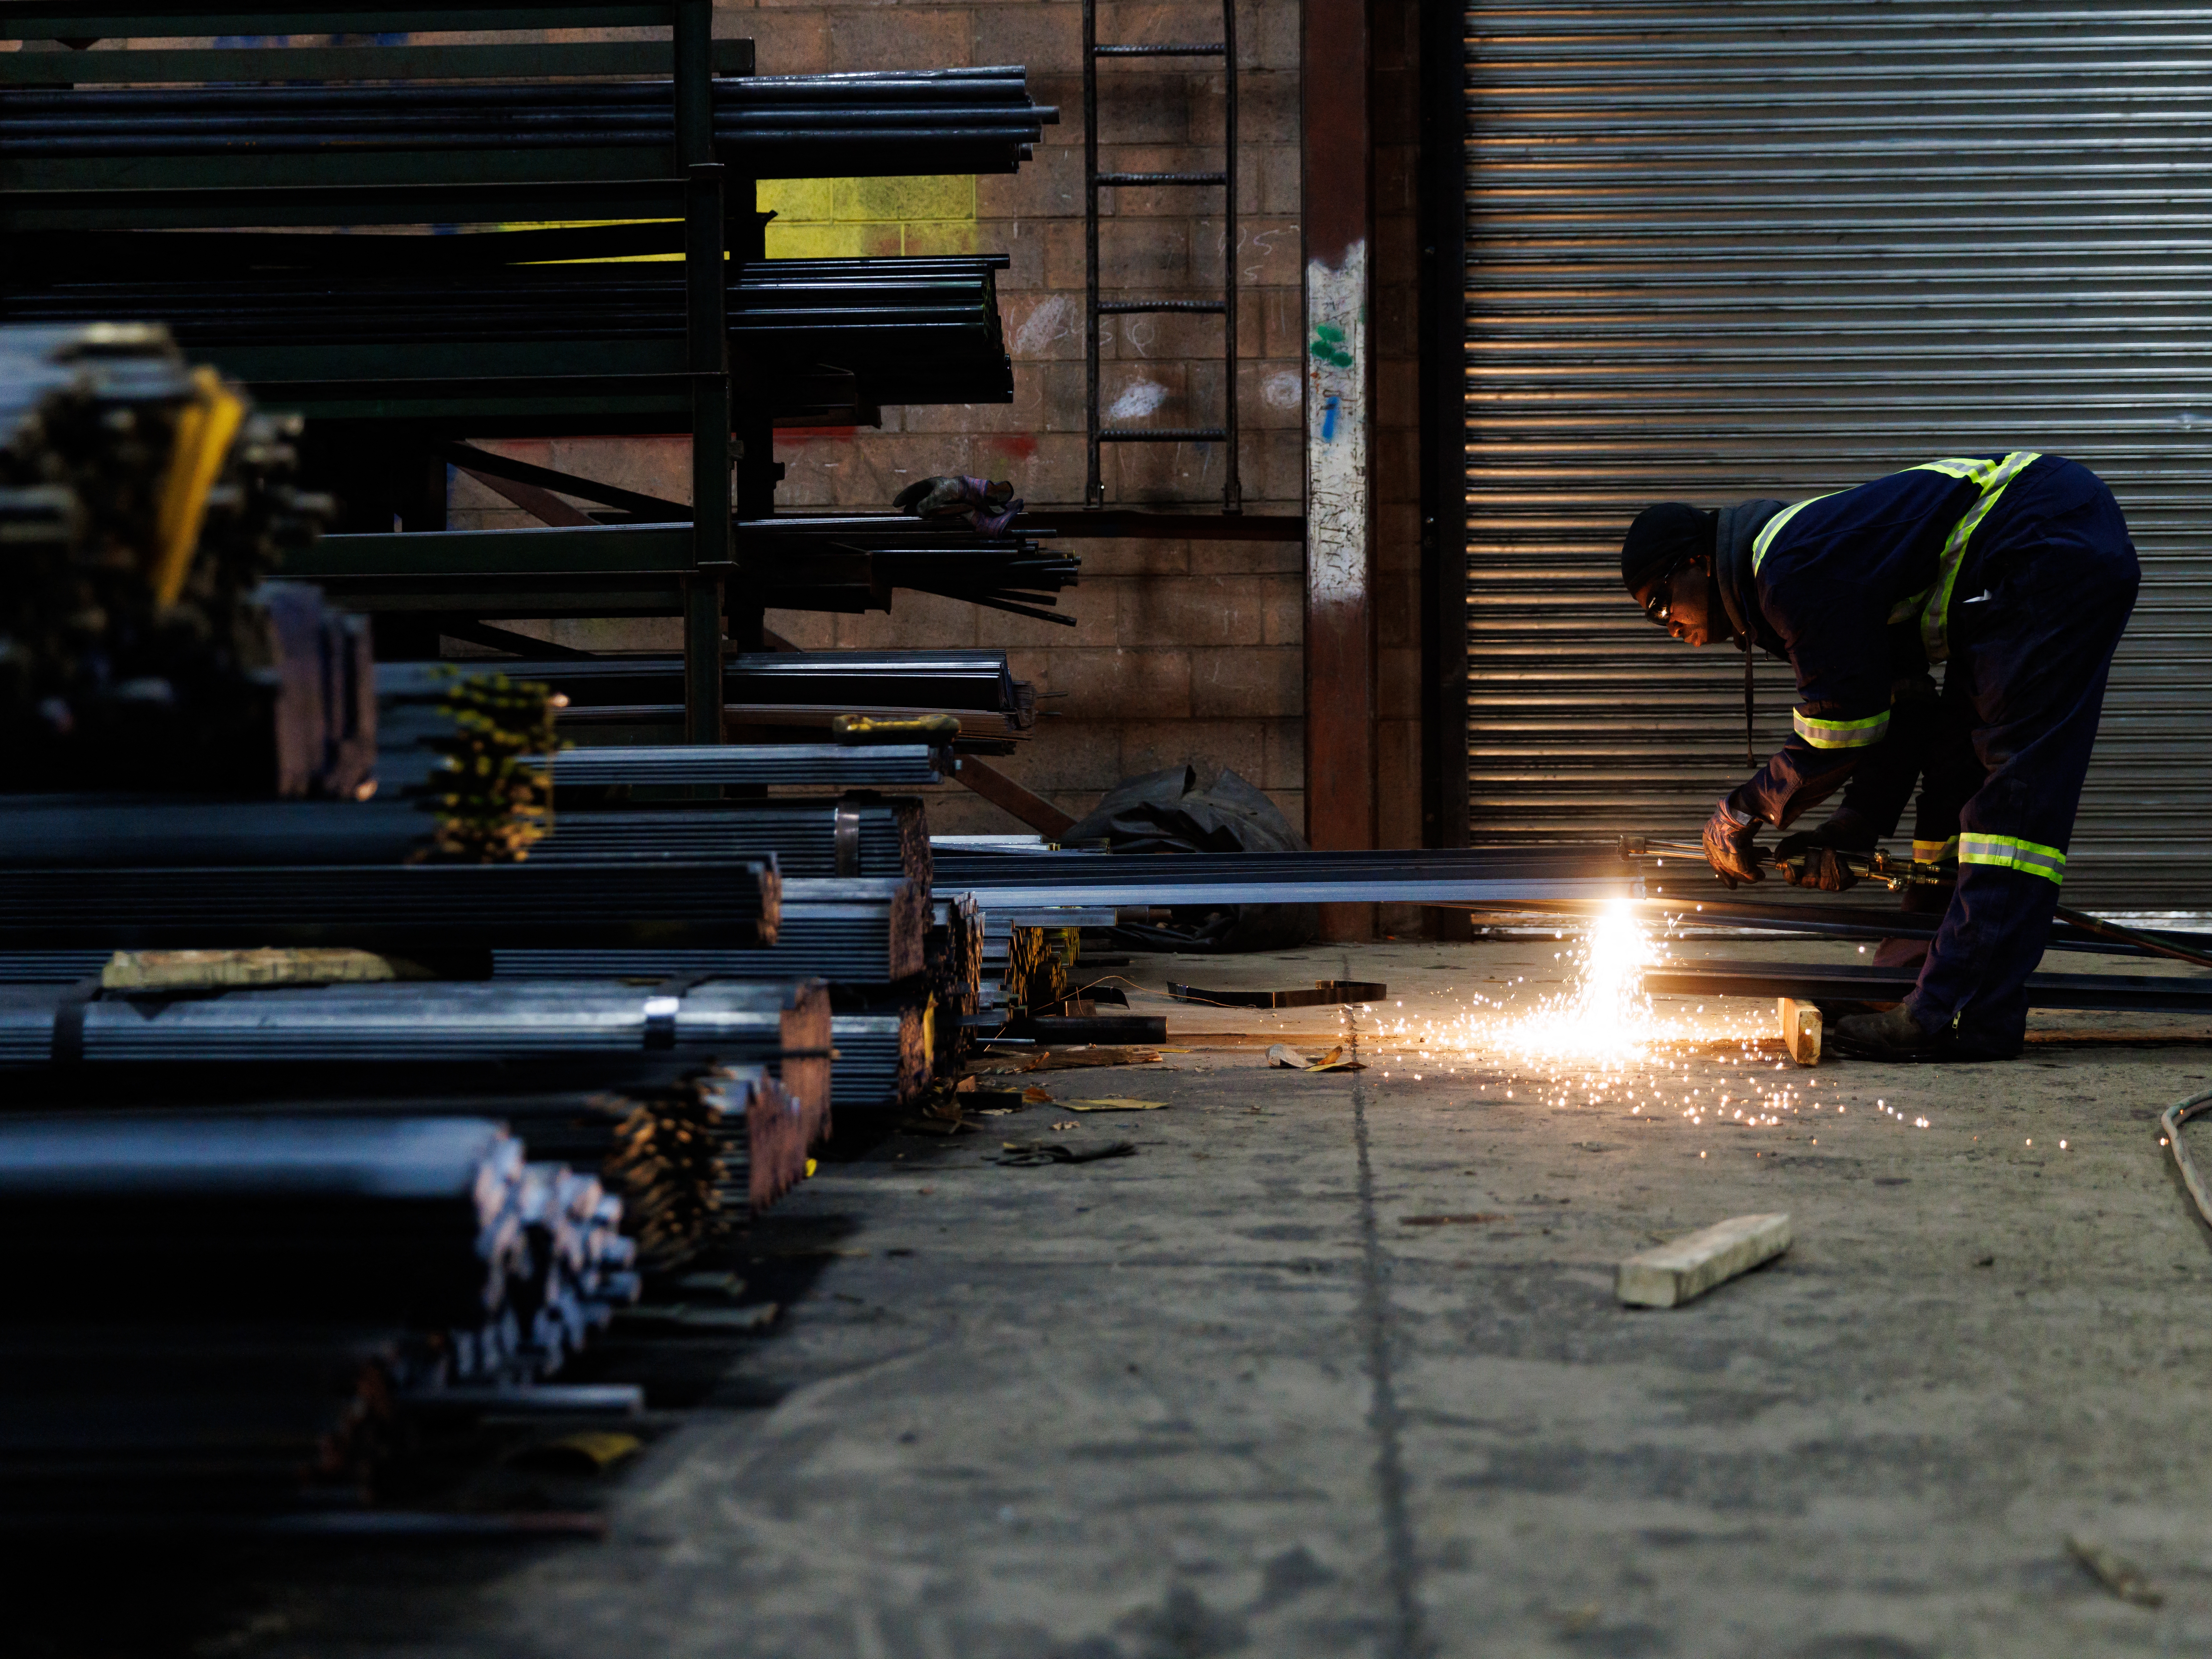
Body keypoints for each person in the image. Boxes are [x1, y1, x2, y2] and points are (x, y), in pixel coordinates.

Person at [1620, 453, 2139, 1060]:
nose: (1668, 624)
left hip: (2046, 544)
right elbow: (1904, 711)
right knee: (1953, 774)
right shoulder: (1796, 573)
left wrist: (1743, 809)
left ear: (1697, 563)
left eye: (1662, 602)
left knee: (2010, 802)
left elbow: (1840, 728)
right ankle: (1909, 982)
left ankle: (1960, 1013)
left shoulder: (1786, 569)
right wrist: (1856, 826)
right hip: (2019, 559)